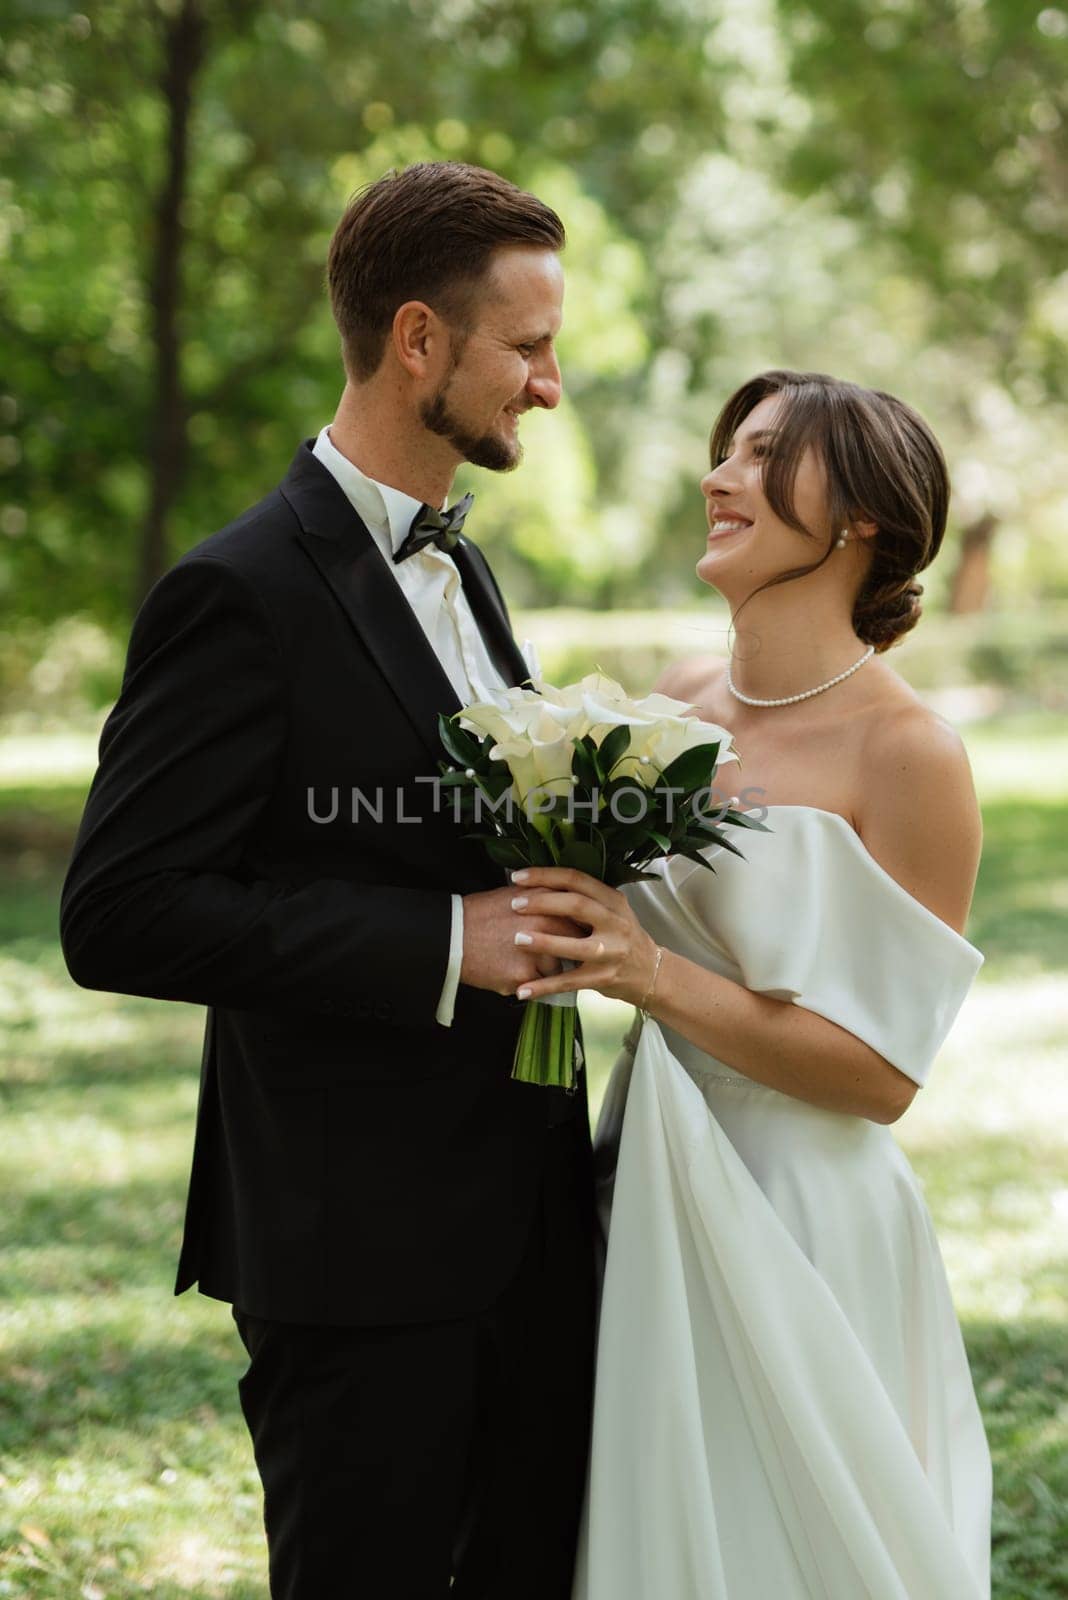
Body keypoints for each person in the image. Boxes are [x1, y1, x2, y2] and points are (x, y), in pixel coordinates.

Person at [59, 162, 597, 1599]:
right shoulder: (238, 592)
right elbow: (119, 907)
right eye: (528, 348)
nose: (550, 386)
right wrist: (446, 939)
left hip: (535, 1223)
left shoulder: (466, 572)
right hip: (359, 1254)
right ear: (418, 340)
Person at [503, 370, 992, 1598]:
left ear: (863, 516)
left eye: (764, 453)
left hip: (803, 1216)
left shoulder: (911, 753)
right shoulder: (671, 701)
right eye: (725, 453)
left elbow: (884, 1079)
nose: (718, 477)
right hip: (643, 1170)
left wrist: (649, 971)